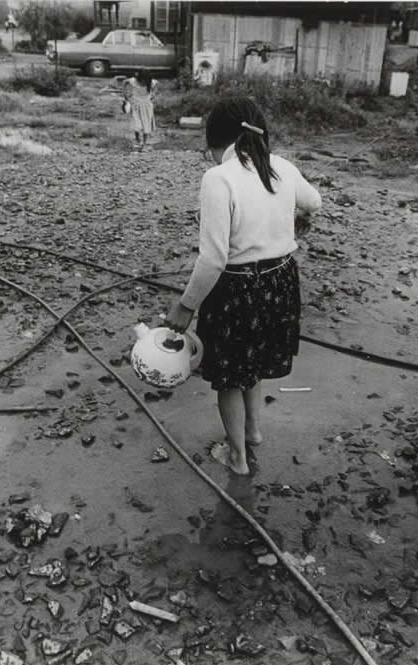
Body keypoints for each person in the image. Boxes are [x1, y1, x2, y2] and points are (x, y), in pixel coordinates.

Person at [164, 97, 322, 475]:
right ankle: (253, 433)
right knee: (251, 366)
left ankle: (236, 458)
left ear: (218, 142)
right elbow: (314, 202)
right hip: (280, 282)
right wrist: (291, 217)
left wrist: (186, 306)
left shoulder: (218, 179)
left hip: (237, 289)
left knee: (230, 378)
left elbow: (213, 259)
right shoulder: (281, 166)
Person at [123, 70, 156, 151]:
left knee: (146, 126)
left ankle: (144, 143)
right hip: (136, 106)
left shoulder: (152, 83)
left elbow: (155, 88)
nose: (143, 82)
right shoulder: (133, 82)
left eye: (145, 80)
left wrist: (152, 95)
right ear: (138, 78)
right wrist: (126, 96)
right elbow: (125, 82)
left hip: (147, 107)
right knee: (136, 124)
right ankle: (138, 139)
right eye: (142, 80)